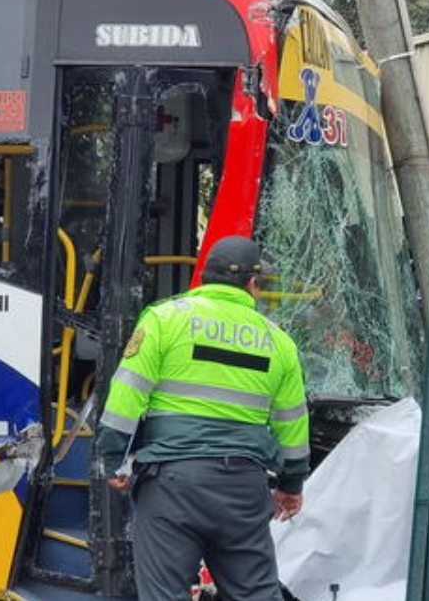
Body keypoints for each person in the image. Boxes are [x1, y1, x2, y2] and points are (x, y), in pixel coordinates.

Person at [94, 236, 310, 601]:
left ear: (204, 276)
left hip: (170, 485)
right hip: (244, 488)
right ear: (252, 285)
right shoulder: (279, 343)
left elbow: (127, 394)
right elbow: (292, 424)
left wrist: (114, 459)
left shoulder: (164, 319)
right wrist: (291, 485)